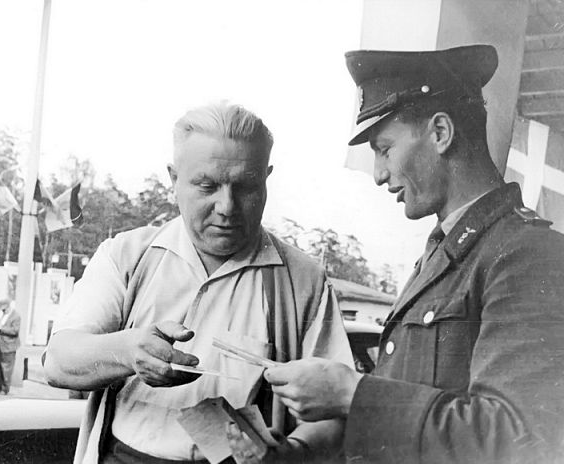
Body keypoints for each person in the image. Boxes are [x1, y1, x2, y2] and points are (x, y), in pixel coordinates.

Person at [259, 45, 564, 463]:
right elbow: (406, 422)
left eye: (384, 148)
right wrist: (298, 452)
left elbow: (516, 440)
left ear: (441, 132)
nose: (378, 175)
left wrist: (352, 393)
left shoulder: (529, 254)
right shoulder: (447, 253)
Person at [43, 101, 353, 464]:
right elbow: (59, 362)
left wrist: (294, 452)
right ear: (174, 179)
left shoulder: (304, 281)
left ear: (266, 179)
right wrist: (127, 351)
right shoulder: (125, 256)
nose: (227, 206)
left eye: (246, 187)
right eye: (207, 186)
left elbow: (337, 412)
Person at [0, 298, 21, 395]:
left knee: (6, 369)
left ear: (9, 307)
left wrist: (1, 328)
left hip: (9, 347)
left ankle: (4, 389)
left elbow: (15, 331)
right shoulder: (4, 315)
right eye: (2, 309)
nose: (3, 311)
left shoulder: (16, 316)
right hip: (0, 345)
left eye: (4, 309)